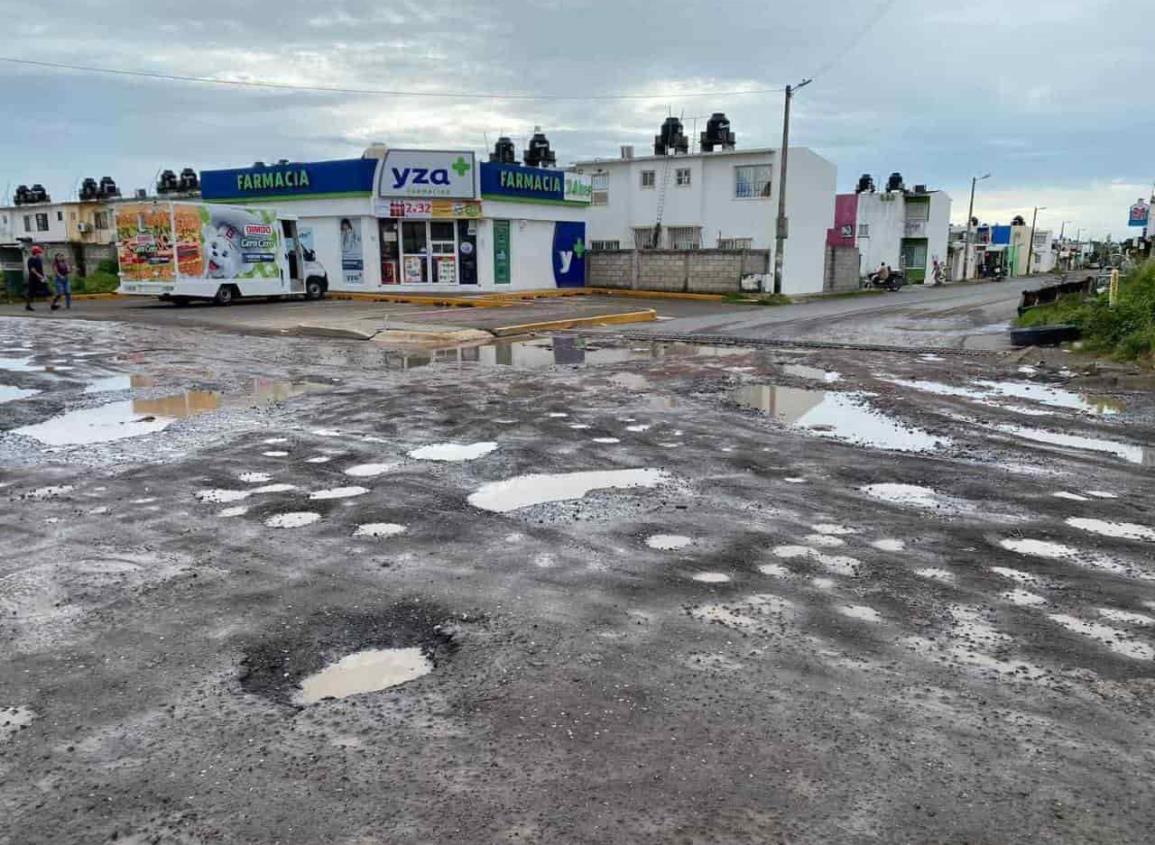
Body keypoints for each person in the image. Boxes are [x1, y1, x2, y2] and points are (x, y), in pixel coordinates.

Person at [25, 245, 47, 312]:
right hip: (33, 279)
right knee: (31, 293)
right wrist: (39, 275)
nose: (39, 254)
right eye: (38, 253)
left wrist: (43, 276)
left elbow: (41, 269)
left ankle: (52, 305)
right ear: (35, 252)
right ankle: (28, 305)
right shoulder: (31, 259)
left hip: (40, 278)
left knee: (47, 290)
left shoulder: (39, 259)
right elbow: (32, 269)